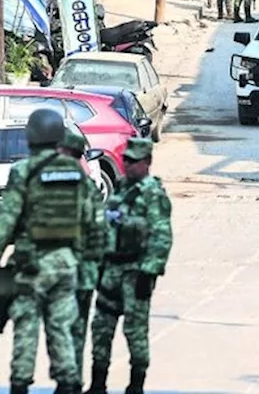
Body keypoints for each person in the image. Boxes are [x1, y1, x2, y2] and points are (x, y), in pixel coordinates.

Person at [0, 109, 103, 394]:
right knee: (61, 327)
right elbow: (91, 219)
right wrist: (91, 260)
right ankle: (67, 382)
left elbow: (8, 217)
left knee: (26, 328)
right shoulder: (76, 172)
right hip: (66, 262)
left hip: (31, 264)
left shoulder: (23, 171)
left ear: (31, 135)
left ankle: (20, 383)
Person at [87, 139, 173, 394]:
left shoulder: (153, 194)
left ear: (147, 163)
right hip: (111, 270)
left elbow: (162, 236)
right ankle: (97, 383)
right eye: (126, 160)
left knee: (134, 330)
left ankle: (136, 385)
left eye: (134, 161)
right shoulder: (121, 188)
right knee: (101, 327)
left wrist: (150, 271)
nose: (128, 165)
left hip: (136, 272)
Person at [57, 126, 109, 387]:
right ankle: (69, 379)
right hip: (68, 272)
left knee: (68, 328)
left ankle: (70, 380)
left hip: (72, 273)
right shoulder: (85, 187)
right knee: (67, 329)